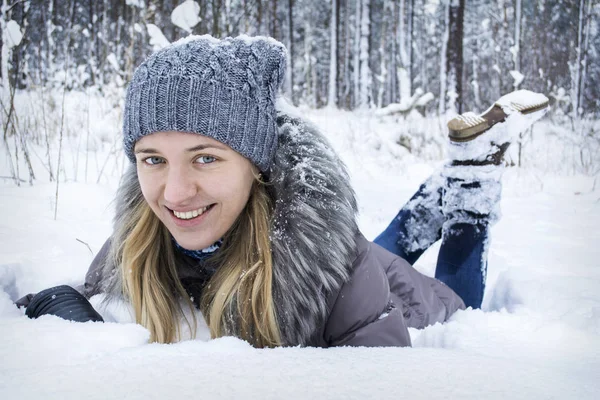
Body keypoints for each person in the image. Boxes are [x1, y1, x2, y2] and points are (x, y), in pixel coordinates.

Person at [16, 35, 548, 348]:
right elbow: (73, 305)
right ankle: (450, 179)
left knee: (454, 285)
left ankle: (473, 175)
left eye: (206, 157)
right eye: (153, 160)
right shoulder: (135, 243)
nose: (174, 193)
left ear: (257, 165)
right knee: (385, 248)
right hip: (365, 263)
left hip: (408, 301)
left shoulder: (337, 267)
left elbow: (381, 381)